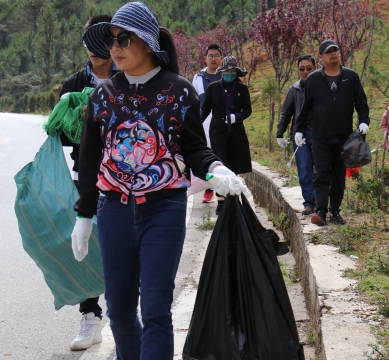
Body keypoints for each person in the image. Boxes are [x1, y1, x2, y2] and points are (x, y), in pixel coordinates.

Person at [72, 2, 249, 359]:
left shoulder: (180, 91)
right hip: (114, 212)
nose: (115, 48)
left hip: (164, 210)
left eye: (124, 39)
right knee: (120, 313)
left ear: (148, 43)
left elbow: (195, 147)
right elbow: (90, 160)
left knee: (154, 310)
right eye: (111, 41)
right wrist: (84, 215)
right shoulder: (102, 95)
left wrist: (216, 170)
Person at [58, 14, 118, 351]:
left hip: (127, 178)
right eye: (88, 42)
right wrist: (74, 118)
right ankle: (90, 317)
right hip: (86, 178)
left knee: (123, 246)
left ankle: (125, 314)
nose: (94, 51)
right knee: (85, 247)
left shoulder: (131, 79)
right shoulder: (73, 83)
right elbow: (62, 135)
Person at [294, 39, 370, 226]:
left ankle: (335, 210)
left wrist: (364, 122)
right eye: (329, 52)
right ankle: (321, 211)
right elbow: (305, 107)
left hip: (344, 138)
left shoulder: (350, 77)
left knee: (338, 176)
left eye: (336, 50)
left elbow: (361, 102)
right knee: (320, 173)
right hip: (320, 137)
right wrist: (298, 129)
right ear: (321, 57)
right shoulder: (314, 79)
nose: (334, 54)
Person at [201, 55, 253, 215]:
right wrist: (195, 125)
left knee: (234, 164)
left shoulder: (241, 89)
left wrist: (237, 117)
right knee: (220, 164)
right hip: (218, 132)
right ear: (221, 72)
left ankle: (232, 198)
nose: (229, 74)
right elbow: (206, 109)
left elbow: (248, 110)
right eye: (227, 71)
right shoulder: (213, 88)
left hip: (236, 132)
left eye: (232, 71)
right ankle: (220, 200)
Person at [276, 55, 317, 215]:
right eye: (302, 69)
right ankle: (309, 202)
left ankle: (321, 202)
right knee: (304, 167)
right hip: (301, 134)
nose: (305, 71)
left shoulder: (322, 86)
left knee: (319, 168)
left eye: (309, 68)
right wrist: (280, 133)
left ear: (315, 67)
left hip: (320, 133)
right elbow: (286, 112)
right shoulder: (295, 89)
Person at [192, 44, 223, 204]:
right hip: (204, 122)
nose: (213, 59)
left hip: (222, 122)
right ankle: (209, 187)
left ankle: (221, 192)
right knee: (208, 155)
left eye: (216, 56)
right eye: (210, 56)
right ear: (205, 58)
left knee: (222, 155)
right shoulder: (198, 78)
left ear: (221, 58)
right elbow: (194, 100)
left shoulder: (225, 76)